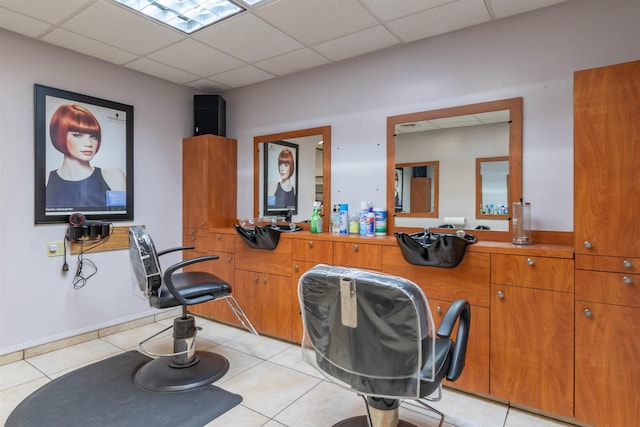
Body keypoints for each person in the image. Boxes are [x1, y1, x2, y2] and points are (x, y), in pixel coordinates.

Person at [46, 104, 126, 209]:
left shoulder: (113, 177)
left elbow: (121, 220)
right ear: (59, 135)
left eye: (93, 136)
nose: (89, 143)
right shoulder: (46, 180)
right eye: (78, 135)